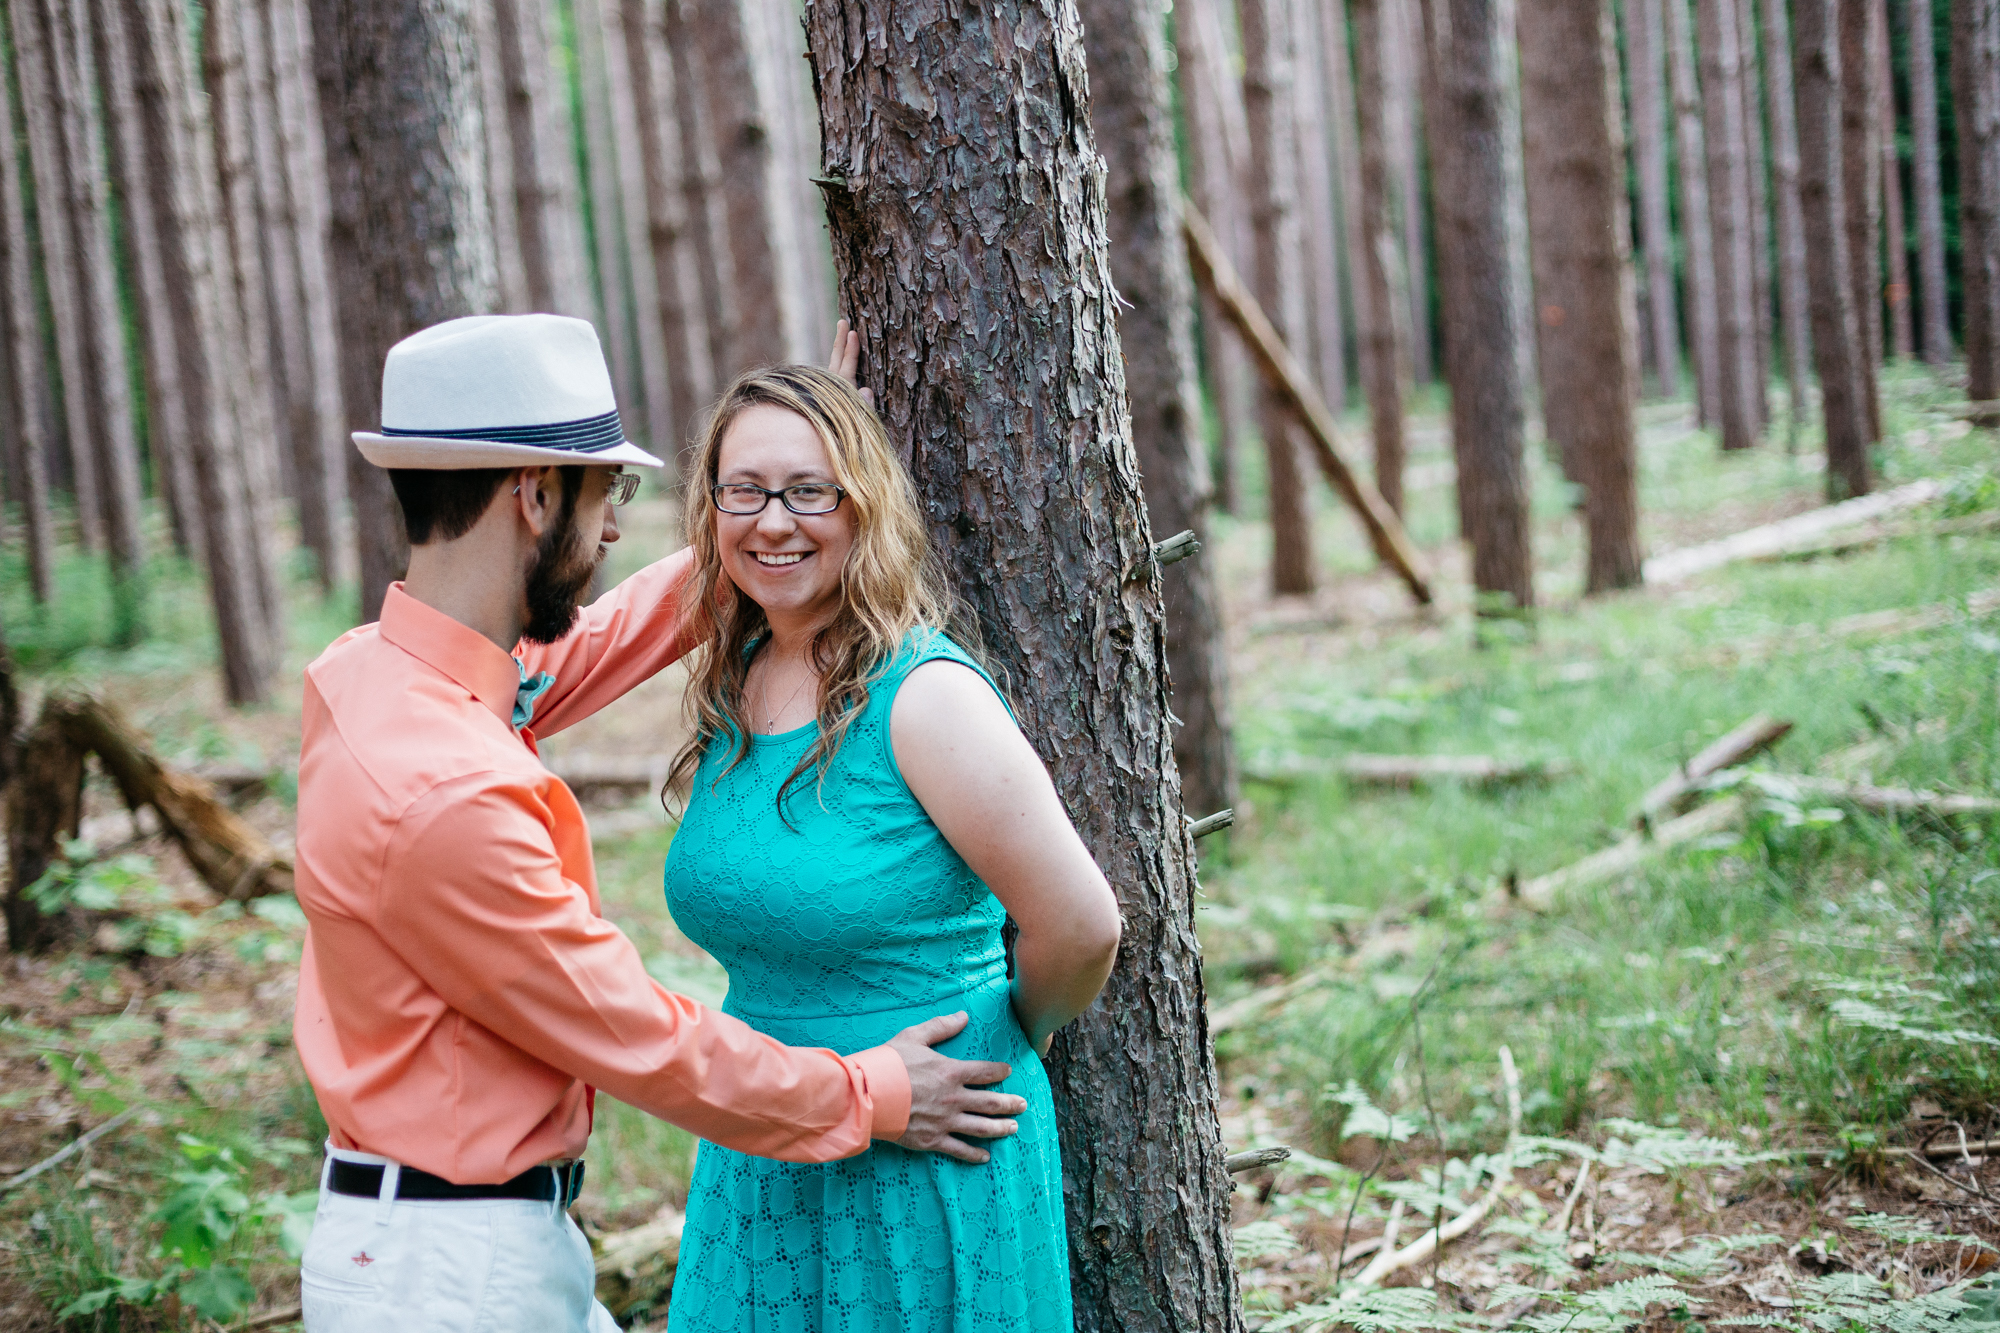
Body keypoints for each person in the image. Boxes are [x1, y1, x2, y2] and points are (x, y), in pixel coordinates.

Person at [290, 314, 1027, 1333]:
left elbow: (596, 642)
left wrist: (778, 505)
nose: (610, 531)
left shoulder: (376, 676)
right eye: (608, 496)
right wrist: (872, 1092)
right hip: (452, 1279)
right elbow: (635, 1036)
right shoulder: (443, 790)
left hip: (449, 1240)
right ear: (534, 495)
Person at [660, 364, 1123, 1333]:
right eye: (743, 490)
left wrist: (1005, 1034)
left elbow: (1079, 926)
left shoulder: (925, 696)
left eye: (809, 489)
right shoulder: (735, 674)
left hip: (927, 1146)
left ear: (861, 501)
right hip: (766, 1139)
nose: (772, 521)